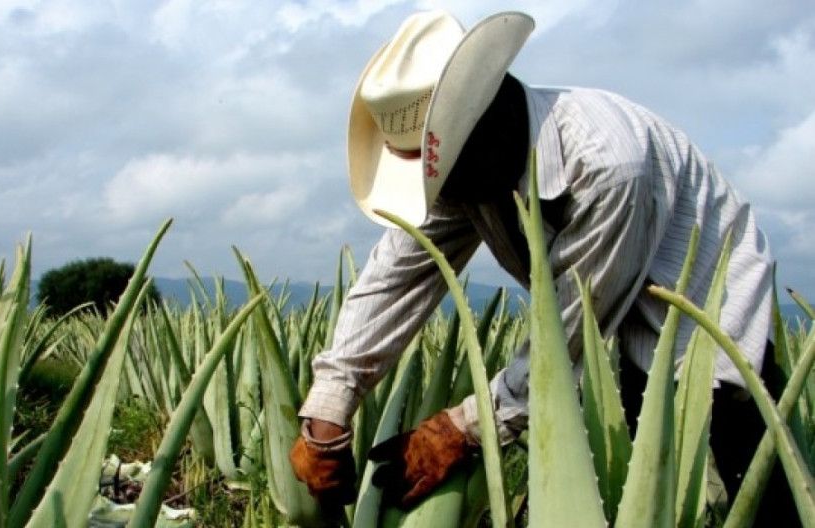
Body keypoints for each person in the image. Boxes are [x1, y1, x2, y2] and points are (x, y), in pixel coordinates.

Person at [288, 9, 795, 525]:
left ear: (481, 128)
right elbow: (394, 279)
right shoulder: (466, 173)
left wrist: (460, 430)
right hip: (605, 303)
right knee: (628, 479)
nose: (439, 193)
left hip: (707, 302)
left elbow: (572, 330)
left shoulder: (605, 165)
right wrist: (330, 404)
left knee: (743, 460)